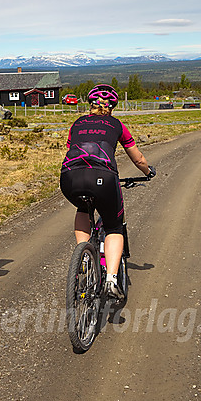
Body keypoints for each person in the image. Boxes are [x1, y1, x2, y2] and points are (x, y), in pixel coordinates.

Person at [60, 84, 155, 299]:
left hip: (69, 177)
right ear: (112, 106)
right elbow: (137, 158)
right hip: (102, 177)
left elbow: (72, 148)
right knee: (114, 227)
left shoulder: (77, 123)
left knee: (83, 208)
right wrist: (148, 171)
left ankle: (83, 256)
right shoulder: (117, 125)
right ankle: (111, 279)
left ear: (90, 104)